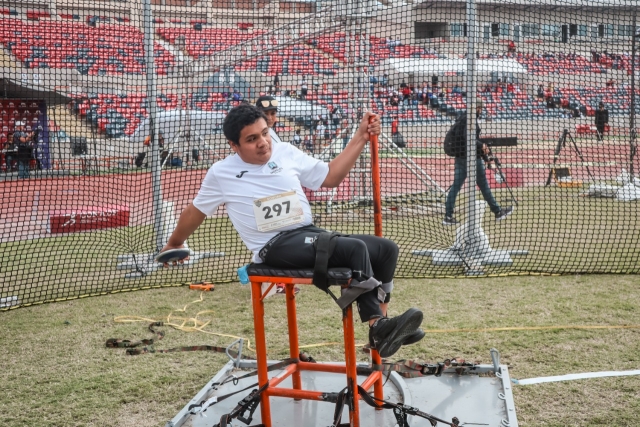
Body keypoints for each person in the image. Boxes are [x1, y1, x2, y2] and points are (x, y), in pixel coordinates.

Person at [159, 104, 424, 358]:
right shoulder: (221, 173)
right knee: (356, 248)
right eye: (251, 139)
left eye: (264, 133)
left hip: (307, 233)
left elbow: (330, 176)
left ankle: (384, 325)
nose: (263, 142)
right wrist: (174, 243)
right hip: (274, 247)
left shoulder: (284, 151)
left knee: (387, 249)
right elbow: (195, 211)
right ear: (233, 145)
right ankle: (378, 327)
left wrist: (360, 137)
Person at [443, 102, 513, 225]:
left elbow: (467, 139)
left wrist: (484, 156)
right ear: (478, 108)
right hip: (471, 159)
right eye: (481, 108)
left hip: (460, 157)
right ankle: (497, 211)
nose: (481, 111)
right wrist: (482, 146)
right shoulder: (470, 120)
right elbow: (468, 138)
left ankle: (448, 216)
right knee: (483, 185)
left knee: (455, 187)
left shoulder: (462, 117)